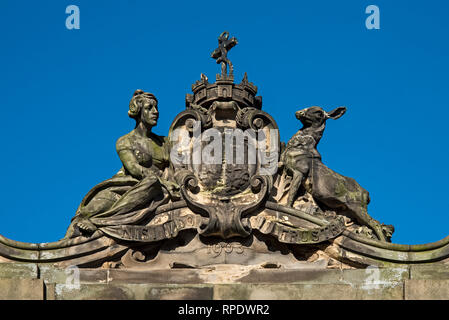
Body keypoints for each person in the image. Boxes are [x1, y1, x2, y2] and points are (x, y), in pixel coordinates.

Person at [65, 90, 178, 238]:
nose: (155, 112)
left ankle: (99, 222)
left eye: (156, 108)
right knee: (95, 207)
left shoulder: (164, 142)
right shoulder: (125, 141)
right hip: (127, 186)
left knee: (152, 183)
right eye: (149, 108)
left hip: (155, 188)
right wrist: (163, 182)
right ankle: (97, 221)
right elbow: (134, 169)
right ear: (138, 111)